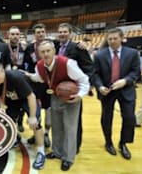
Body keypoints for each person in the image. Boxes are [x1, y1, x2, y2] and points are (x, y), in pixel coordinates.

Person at [25, 40, 90, 171]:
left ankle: (68, 158)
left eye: (48, 51)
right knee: (57, 127)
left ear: (54, 51)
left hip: (71, 98)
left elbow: (84, 80)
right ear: (39, 53)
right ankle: (57, 151)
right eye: (42, 52)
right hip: (55, 96)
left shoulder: (68, 63)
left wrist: (80, 95)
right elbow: (40, 77)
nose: (46, 54)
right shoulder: (39, 66)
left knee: (70, 129)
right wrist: (29, 76)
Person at [92, 28, 140, 160]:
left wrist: (125, 81)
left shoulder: (132, 53)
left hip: (126, 89)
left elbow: (136, 73)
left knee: (129, 117)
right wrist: (99, 86)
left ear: (122, 38)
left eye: (115, 38)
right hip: (107, 91)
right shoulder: (100, 55)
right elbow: (95, 74)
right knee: (106, 118)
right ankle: (108, 142)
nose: (112, 41)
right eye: (110, 39)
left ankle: (123, 143)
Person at [0, 62, 46, 170]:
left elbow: (31, 96)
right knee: (7, 119)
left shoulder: (15, 78)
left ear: (3, 72)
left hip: (28, 98)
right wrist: (1, 106)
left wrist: (32, 116)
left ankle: (41, 153)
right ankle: (15, 137)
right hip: (13, 99)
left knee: (35, 124)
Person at [56, 23, 94, 153]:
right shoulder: (55, 46)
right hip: (58, 91)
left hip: (72, 90)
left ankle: (74, 147)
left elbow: (89, 68)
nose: (62, 34)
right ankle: (60, 146)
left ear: (70, 33)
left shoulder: (78, 48)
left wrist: (83, 87)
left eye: (65, 31)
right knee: (59, 121)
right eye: (60, 31)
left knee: (74, 121)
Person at [24, 23, 52, 147]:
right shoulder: (29, 48)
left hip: (49, 83)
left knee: (49, 109)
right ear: (34, 34)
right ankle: (37, 133)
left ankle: (46, 134)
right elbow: (25, 63)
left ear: (45, 32)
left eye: (42, 32)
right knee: (36, 111)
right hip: (34, 82)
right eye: (38, 32)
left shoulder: (52, 44)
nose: (40, 34)